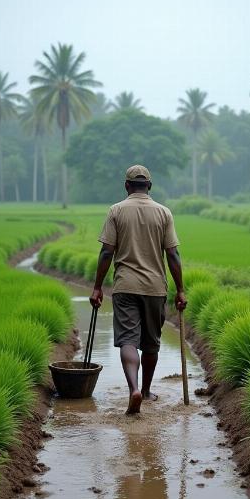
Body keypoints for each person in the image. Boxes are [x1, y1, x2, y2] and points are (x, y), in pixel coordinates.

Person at [89, 165, 186, 415]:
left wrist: (98, 286)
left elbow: (106, 252)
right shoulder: (164, 213)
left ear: (127, 186)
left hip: (125, 286)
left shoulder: (116, 211)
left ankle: (132, 388)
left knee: (128, 341)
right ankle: (145, 391)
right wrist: (181, 290)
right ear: (149, 186)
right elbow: (173, 255)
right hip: (155, 288)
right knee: (151, 343)